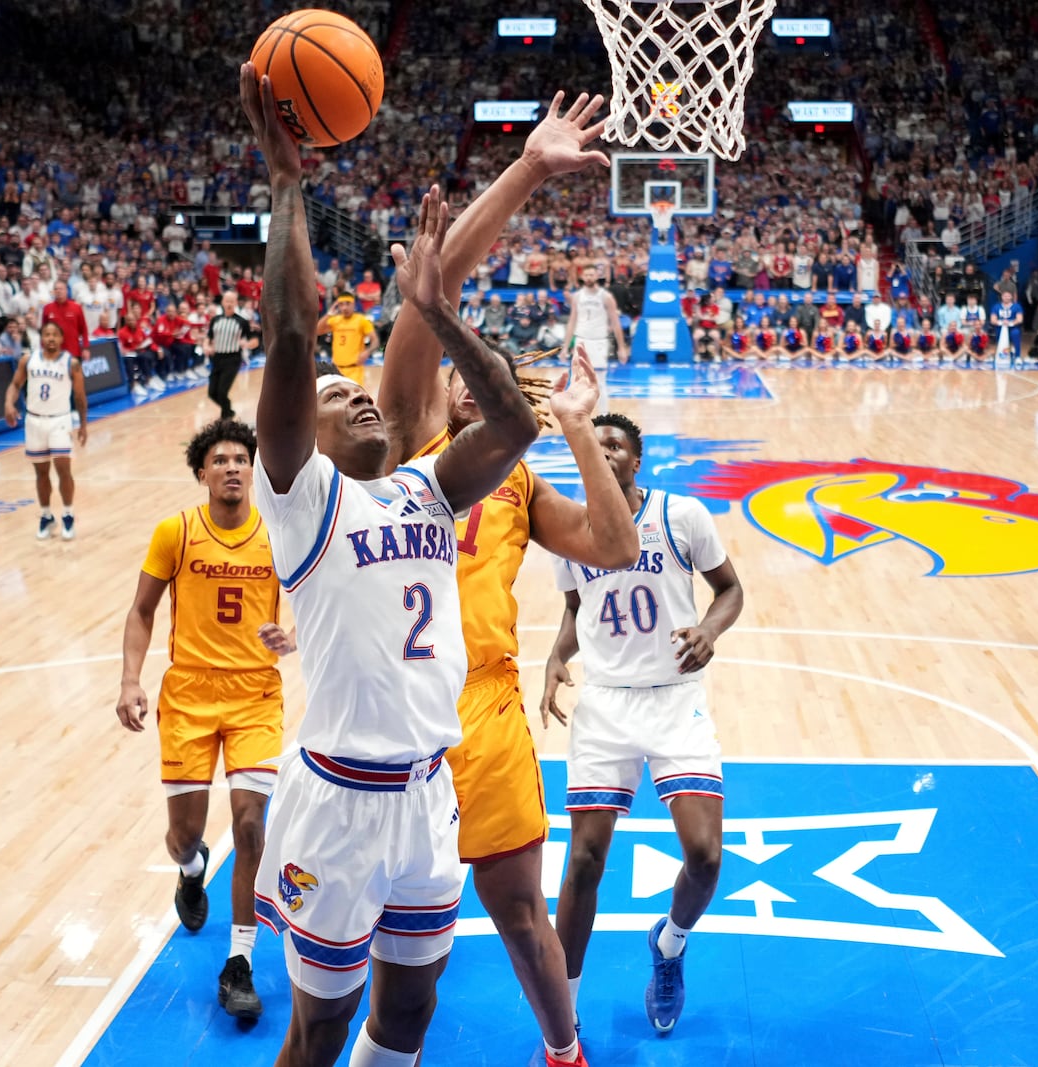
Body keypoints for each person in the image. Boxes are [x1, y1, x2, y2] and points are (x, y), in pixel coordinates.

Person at [239, 66, 538, 1067]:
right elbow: (289, 331)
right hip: (337, 800)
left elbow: (515, 421)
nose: (355, 398)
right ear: (301, 431)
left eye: (353, 386)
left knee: (409, 1015)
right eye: (331, 393)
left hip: (427, 792)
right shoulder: (302, 497)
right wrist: (289, 184)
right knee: (319, 1025)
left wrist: (437, 308)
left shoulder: (420, 487)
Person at [370, 90, 633, 1067]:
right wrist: (524, 171)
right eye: (431, 358)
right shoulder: (396, 441)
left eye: (450, 361)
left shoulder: (514, 479)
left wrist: (576, 430)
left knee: (521, 911)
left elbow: (609, 545)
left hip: (482, 713)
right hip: (389, 720)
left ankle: (562, 1047)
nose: (435, 366)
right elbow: (426, 295)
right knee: (397, 956)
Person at [541, 412, 744, 1036]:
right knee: (584, 862)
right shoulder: (571, 531)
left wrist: (708, 630)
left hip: (675, 698)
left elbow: (730, 590)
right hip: (604, 706)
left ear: (638, 458)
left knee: (706, 857)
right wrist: (555, 656)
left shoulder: (682, 516)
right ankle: (564, 1008)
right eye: (594, 444)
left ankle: (670, 946)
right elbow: (579, 608)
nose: (604, 452)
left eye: (616, 445)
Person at [115, 418, 281, 1022]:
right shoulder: (176, 531)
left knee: (249, 825)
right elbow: (141, 611)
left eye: (242, 459)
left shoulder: (278, 534)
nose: (233, 467)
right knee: (185, 833)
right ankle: (190, 867)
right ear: (202, 472)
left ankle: (239, 963)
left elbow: (317, 600)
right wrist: (131, 681)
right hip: (188, 694)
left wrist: (291, 635)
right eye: (221, 460)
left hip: (256, 694)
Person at [4, 322, 88, 540]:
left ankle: (68, 514)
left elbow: (80, 397)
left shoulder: (72, 363)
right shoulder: (27, 360)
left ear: (61, 338)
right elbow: (15, 385)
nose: (51, 338)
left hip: (60, 420)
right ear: (41, 338)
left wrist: (84, 426)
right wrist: (8, 404)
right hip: (34, 421)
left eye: (55, 335)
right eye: (47, 334)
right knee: (41, 473)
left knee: (62, 467)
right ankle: (46, 515)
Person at [565, 264, 628, 371]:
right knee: (580, 378)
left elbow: (616, 323)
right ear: (582, 277)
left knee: (598, 378)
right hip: (581, 340)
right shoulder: (577, 296)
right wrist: (566, 346)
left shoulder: (606, 297)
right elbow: (572, 322)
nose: (589, 277)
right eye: (586, 275)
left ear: (597, 276)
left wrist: (621, 348)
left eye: (591, 275)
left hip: (599, 341)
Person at [206, 292, 258, 420]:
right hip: (217, 358)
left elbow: (255, 341)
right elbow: (208, 338)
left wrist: (246, 344)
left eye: (231, 301)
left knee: (222, 392)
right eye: (227, 301)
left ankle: (225, 419)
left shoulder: (242, 322)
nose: (229, 304)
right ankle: (229, 411)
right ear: (222, 302)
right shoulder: (215, 320)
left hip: (233, 359)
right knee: (212, 393)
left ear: (235, 303)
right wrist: (206, 346)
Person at [316, 291, 376, 384]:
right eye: (341, 304)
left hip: (354, 369)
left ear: (353, 304)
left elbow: (375, 340)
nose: (344, 307)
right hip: (336, 369)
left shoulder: (361, 320)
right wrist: (329, 313)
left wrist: (367, 352)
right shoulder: (335, 320)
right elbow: (317, 330)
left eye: (348, 304)